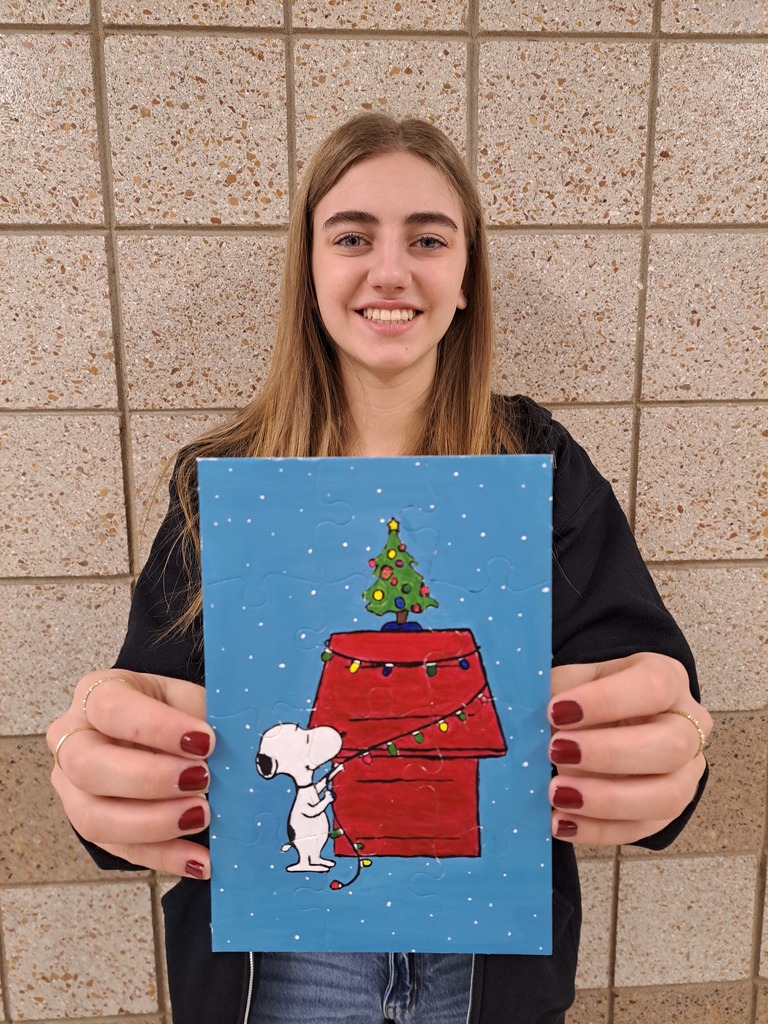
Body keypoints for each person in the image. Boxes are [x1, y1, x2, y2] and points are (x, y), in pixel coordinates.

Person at [47, 113, 711, 1024]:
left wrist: (663, 747)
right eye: (353, 237)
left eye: (428, 240)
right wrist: (112, 770)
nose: (390, 270)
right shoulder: (222, 484)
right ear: (310, 271)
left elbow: (646, 690)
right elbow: (154, 729)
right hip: (280, 968)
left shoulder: (542, 465)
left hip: (482, 968)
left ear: (467, 277)